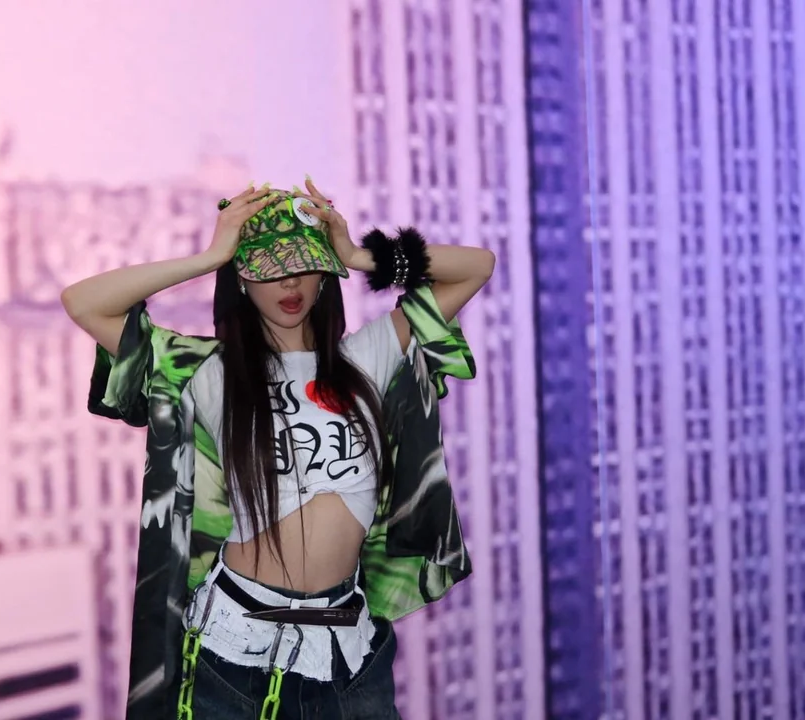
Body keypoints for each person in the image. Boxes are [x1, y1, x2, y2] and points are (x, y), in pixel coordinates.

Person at [61, 178, 494, 719]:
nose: (290, 282)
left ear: (324, 276)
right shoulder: (212, 372)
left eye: (305, 265)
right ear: (242, 281)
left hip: (349, 654)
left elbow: (477, 266)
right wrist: (211, 257)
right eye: (269, 268)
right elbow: (83, 302)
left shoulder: (368, 357)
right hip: (235, 654)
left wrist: (358, 254)